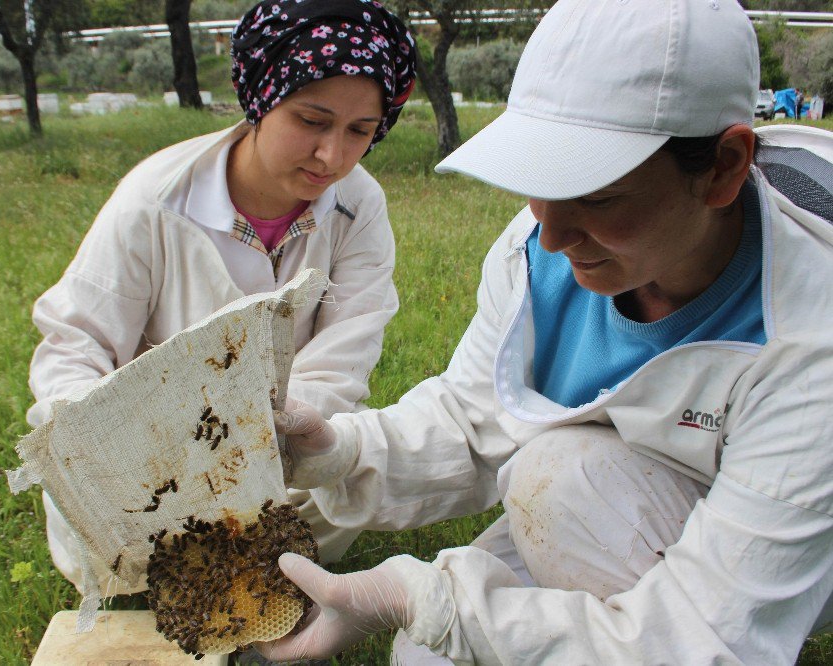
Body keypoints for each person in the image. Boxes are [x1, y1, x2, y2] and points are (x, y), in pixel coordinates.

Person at [257, 0, 833, 663]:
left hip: (787, 539)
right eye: (538, 183)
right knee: (428, 653)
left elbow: (712, 637)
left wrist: (430, 599)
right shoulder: (540, 251)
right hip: (606, 487)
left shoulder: (809, 337)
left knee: (545, 496)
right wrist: (336, 451)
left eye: (597, 196)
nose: (551, 235)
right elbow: (477, 419)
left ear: (725, 167)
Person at [26, 0, 417, 596]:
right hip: (153, 450)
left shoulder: (357, 206)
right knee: (105, 536)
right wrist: (119, 453)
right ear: (261, 100)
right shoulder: (154, 202)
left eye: (360, 132)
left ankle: (258, 572)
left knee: (350, 479)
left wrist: (271, 442)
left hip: (279, 445)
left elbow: (347, 345)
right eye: (312, 121)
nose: (332, 157)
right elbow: (75, 342)